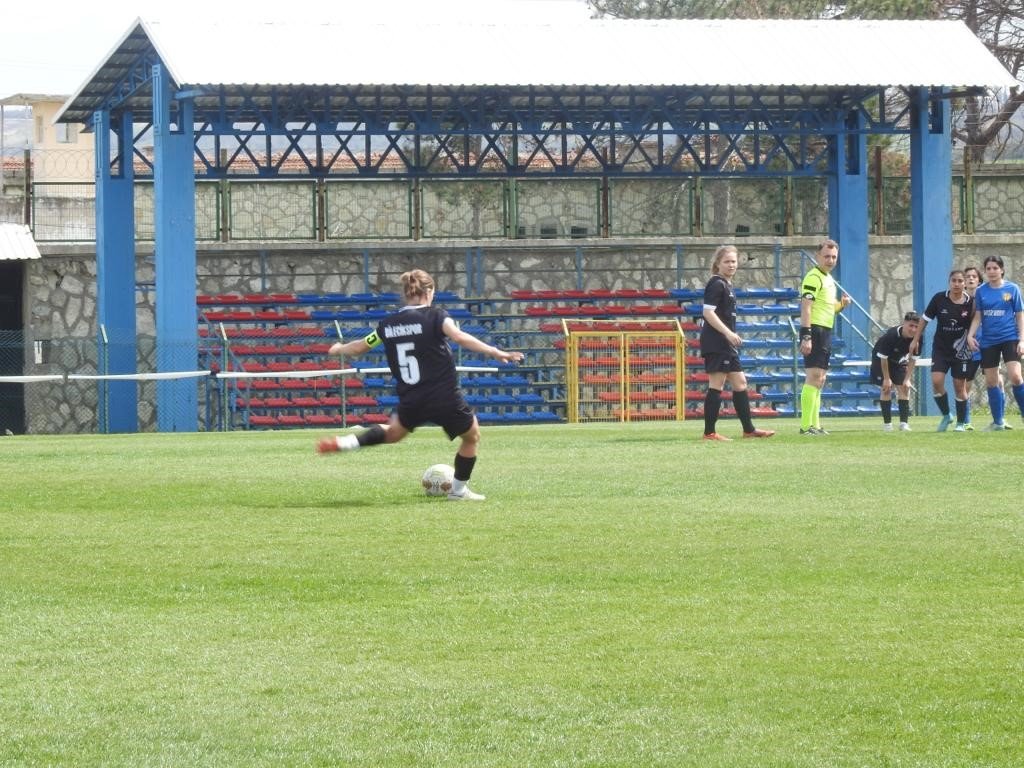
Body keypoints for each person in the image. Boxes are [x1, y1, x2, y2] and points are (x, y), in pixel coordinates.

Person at [316, 269, 524, 500]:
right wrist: (495, 351)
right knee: (471, 436)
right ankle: (458, 491)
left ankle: (345, 443)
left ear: (406, 294)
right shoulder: (437, 316)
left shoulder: (388, 325)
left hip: (412, 398)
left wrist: (337, 349)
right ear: (429, 291)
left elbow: (360, 347)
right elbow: (459, 337)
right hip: (443, 395)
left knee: (394, 433)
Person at [698, 244, 775, 441]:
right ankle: (709, 433)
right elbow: (708, 312)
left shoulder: (726, 284)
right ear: (718, 263)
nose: (731, 265)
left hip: (726, 343)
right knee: (717, 384)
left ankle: (748, 430)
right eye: (727, 261)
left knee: (740, 383)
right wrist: (728, 333)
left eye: (734, 261)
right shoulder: (716, 283)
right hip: (717, 342)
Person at [798, 239, 852, 435]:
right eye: (827, 256)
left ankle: (816, 425)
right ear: (817, 256)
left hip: (825, 331)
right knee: (813, 377)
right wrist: (806, 335)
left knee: (820, 379)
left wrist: (842, 305)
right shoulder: (813, 277)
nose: (830, 260)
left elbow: (829, 309)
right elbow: (806, 307)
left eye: (834, 257)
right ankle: (806, 426)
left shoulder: (828, 279)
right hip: (815, 330)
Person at [911, 270, 973, 431]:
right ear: (949, 282)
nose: (957, 284)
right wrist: (915, 339)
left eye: (960, 281)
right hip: (940, 349)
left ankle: (961, 423)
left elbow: (977, 323)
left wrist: (973, 339)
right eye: (954, 281)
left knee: (960, 387)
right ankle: (947, 415)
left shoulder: (971, 303)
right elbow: (924, 320)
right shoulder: (939, 299)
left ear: (964, 283)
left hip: (961, 351)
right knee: (937, 382)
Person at [967, 255, 1024, 430]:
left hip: (1010, 338)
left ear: (1002, 270)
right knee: (992, 382)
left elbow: (1019, 315)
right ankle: (998, 422)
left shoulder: (1012, 289)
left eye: (995, 268)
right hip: (988, 341)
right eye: (988, 268)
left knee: (1015, 376)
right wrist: (971, 335)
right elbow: (978, 316)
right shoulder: (981, 291)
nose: (992, 271)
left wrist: (1022, 339)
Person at [872, 311, 921, 432]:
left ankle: (903, 424)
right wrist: (887, 379)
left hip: (899, 361)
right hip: (881, 360)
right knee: (886, 389)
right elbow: (883, 358)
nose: (913, 329)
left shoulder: (919, 338)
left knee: (905, 388)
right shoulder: (891, 336)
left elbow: (913, 360)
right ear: (904, 323)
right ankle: (887, 425)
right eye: (911, 325)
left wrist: (907, 379)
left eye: (916, 326)